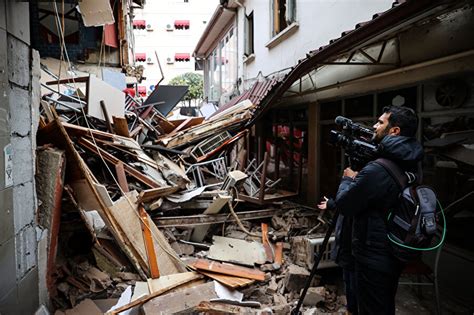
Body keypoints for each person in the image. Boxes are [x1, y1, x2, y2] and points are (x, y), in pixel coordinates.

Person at [332, 105, 423, 314]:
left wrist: (348, 179)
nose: (374, 126)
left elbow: (345, 204)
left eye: (381, 122)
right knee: (383, 305)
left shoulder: (378, 169)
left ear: (395, 131)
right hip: (394, 247)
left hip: (373, 253)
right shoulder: (412, 161)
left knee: (372, 308)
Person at [318, 197, 358, 314]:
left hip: (352, 241)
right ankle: (351, 309)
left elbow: (350, 202)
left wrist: (334, 204)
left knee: (353, 280)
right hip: (348, 241)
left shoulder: (360, 182)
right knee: (349, 277)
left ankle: (353, 309)